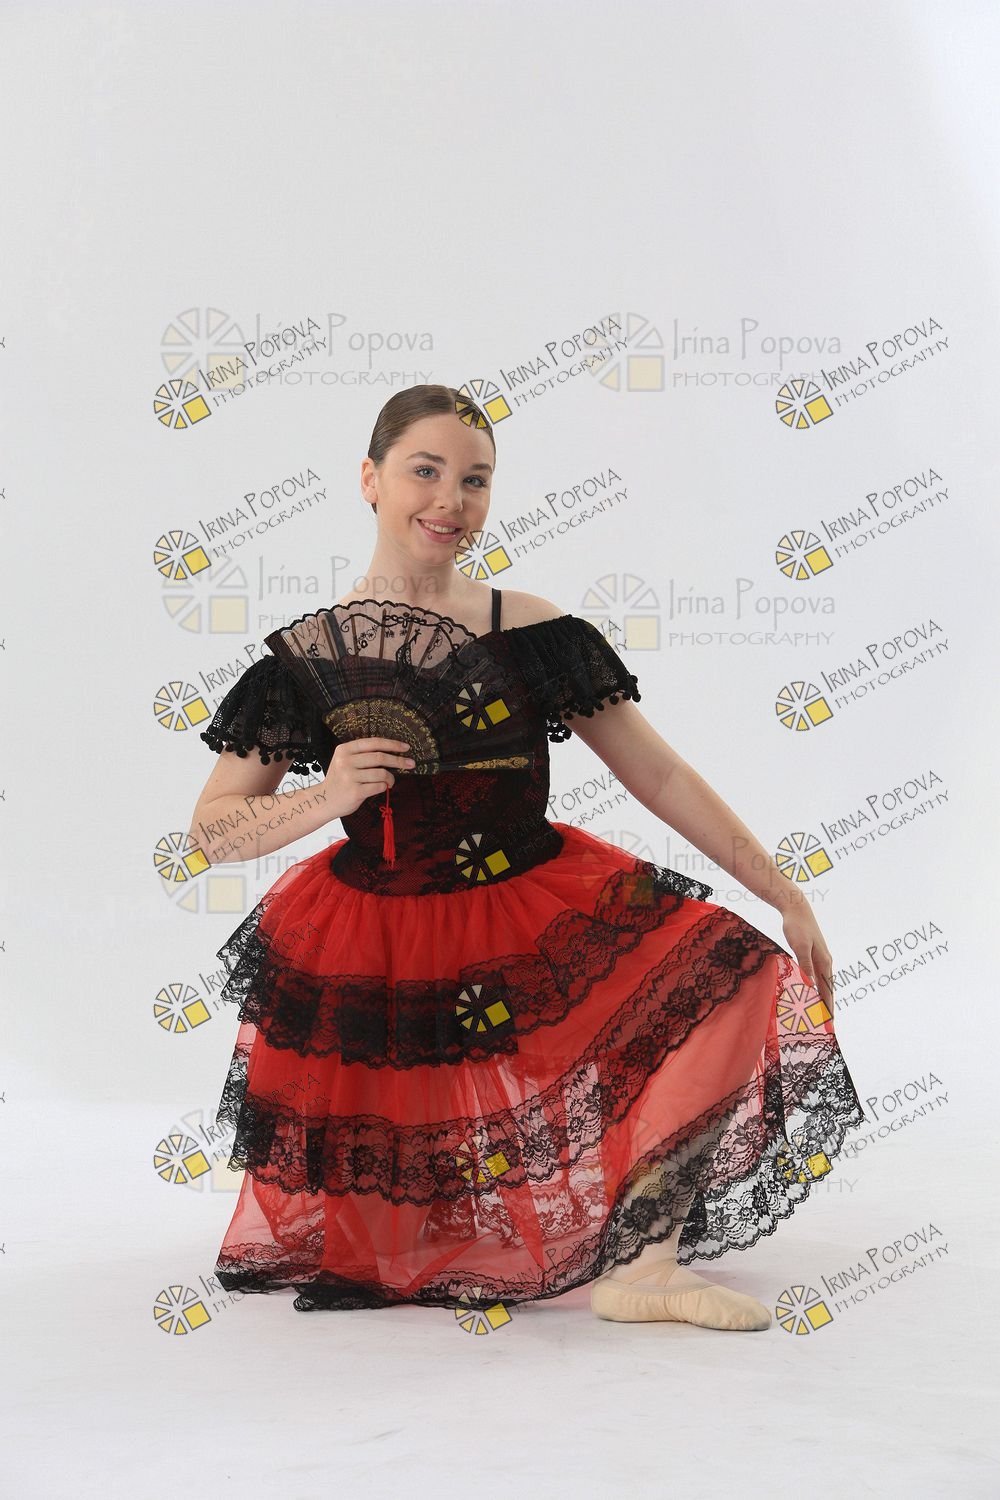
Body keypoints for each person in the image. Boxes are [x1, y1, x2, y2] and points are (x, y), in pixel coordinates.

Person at [190, 383, 865, 1328]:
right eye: (425, 471)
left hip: (533, 906)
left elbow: (659, 774)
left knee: (737, 973)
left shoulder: (534, 633)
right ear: (369, 479)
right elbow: (212, 831)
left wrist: (783, 889)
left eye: (475, 480)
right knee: (396, 1240)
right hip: (381, 947)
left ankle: (645, 1265)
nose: (450, 500)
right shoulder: (303, 665)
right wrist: (327, 795)